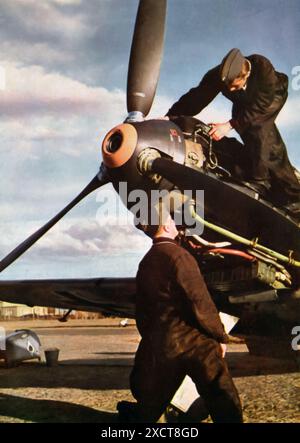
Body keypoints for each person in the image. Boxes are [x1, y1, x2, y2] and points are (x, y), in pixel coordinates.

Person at [118, 214, 243, 423]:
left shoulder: (146, 262)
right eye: (171, 219)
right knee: (222, 395)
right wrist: (220, 336)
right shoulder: (179, 256)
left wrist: (153, 341)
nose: (176, 223)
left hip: (163, 344)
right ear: (166, 226)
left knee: (152, 403)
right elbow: (200, 302)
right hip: (194, 344)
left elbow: (142, 312)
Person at [166, 48, 300, 216]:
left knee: (261, 130)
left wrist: (229, 125)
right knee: (248, 132)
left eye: (234, 86)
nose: (230, 89)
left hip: (271, 97)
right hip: (245, 104)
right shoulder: (218, 76)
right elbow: (196, 97)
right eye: (227, 86)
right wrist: (171, 116)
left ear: (246, 74)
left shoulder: (263, 68)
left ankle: (288, 193)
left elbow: (259, 109)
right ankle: (256, 172)